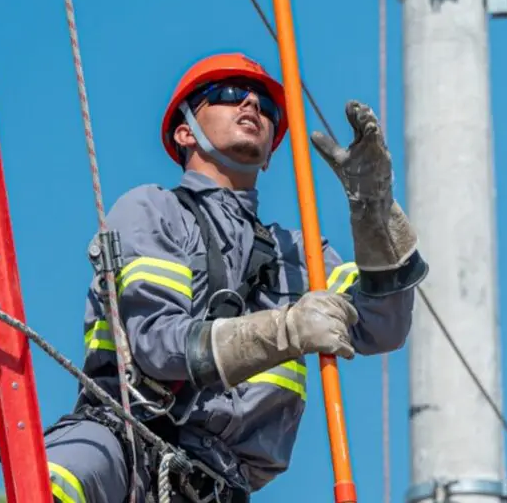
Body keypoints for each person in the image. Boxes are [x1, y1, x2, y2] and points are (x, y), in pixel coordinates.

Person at [43, 52, 428, 503]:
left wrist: (374, 212)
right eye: (226, 95)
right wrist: (287, 329)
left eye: (267, 108)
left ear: (269, 156)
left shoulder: (299, 253)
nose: (251, 105)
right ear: (184, 131)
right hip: (121, 448)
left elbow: (383, 327)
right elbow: (158, 346)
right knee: (58, 478)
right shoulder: (153, 211)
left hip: (218, 487)